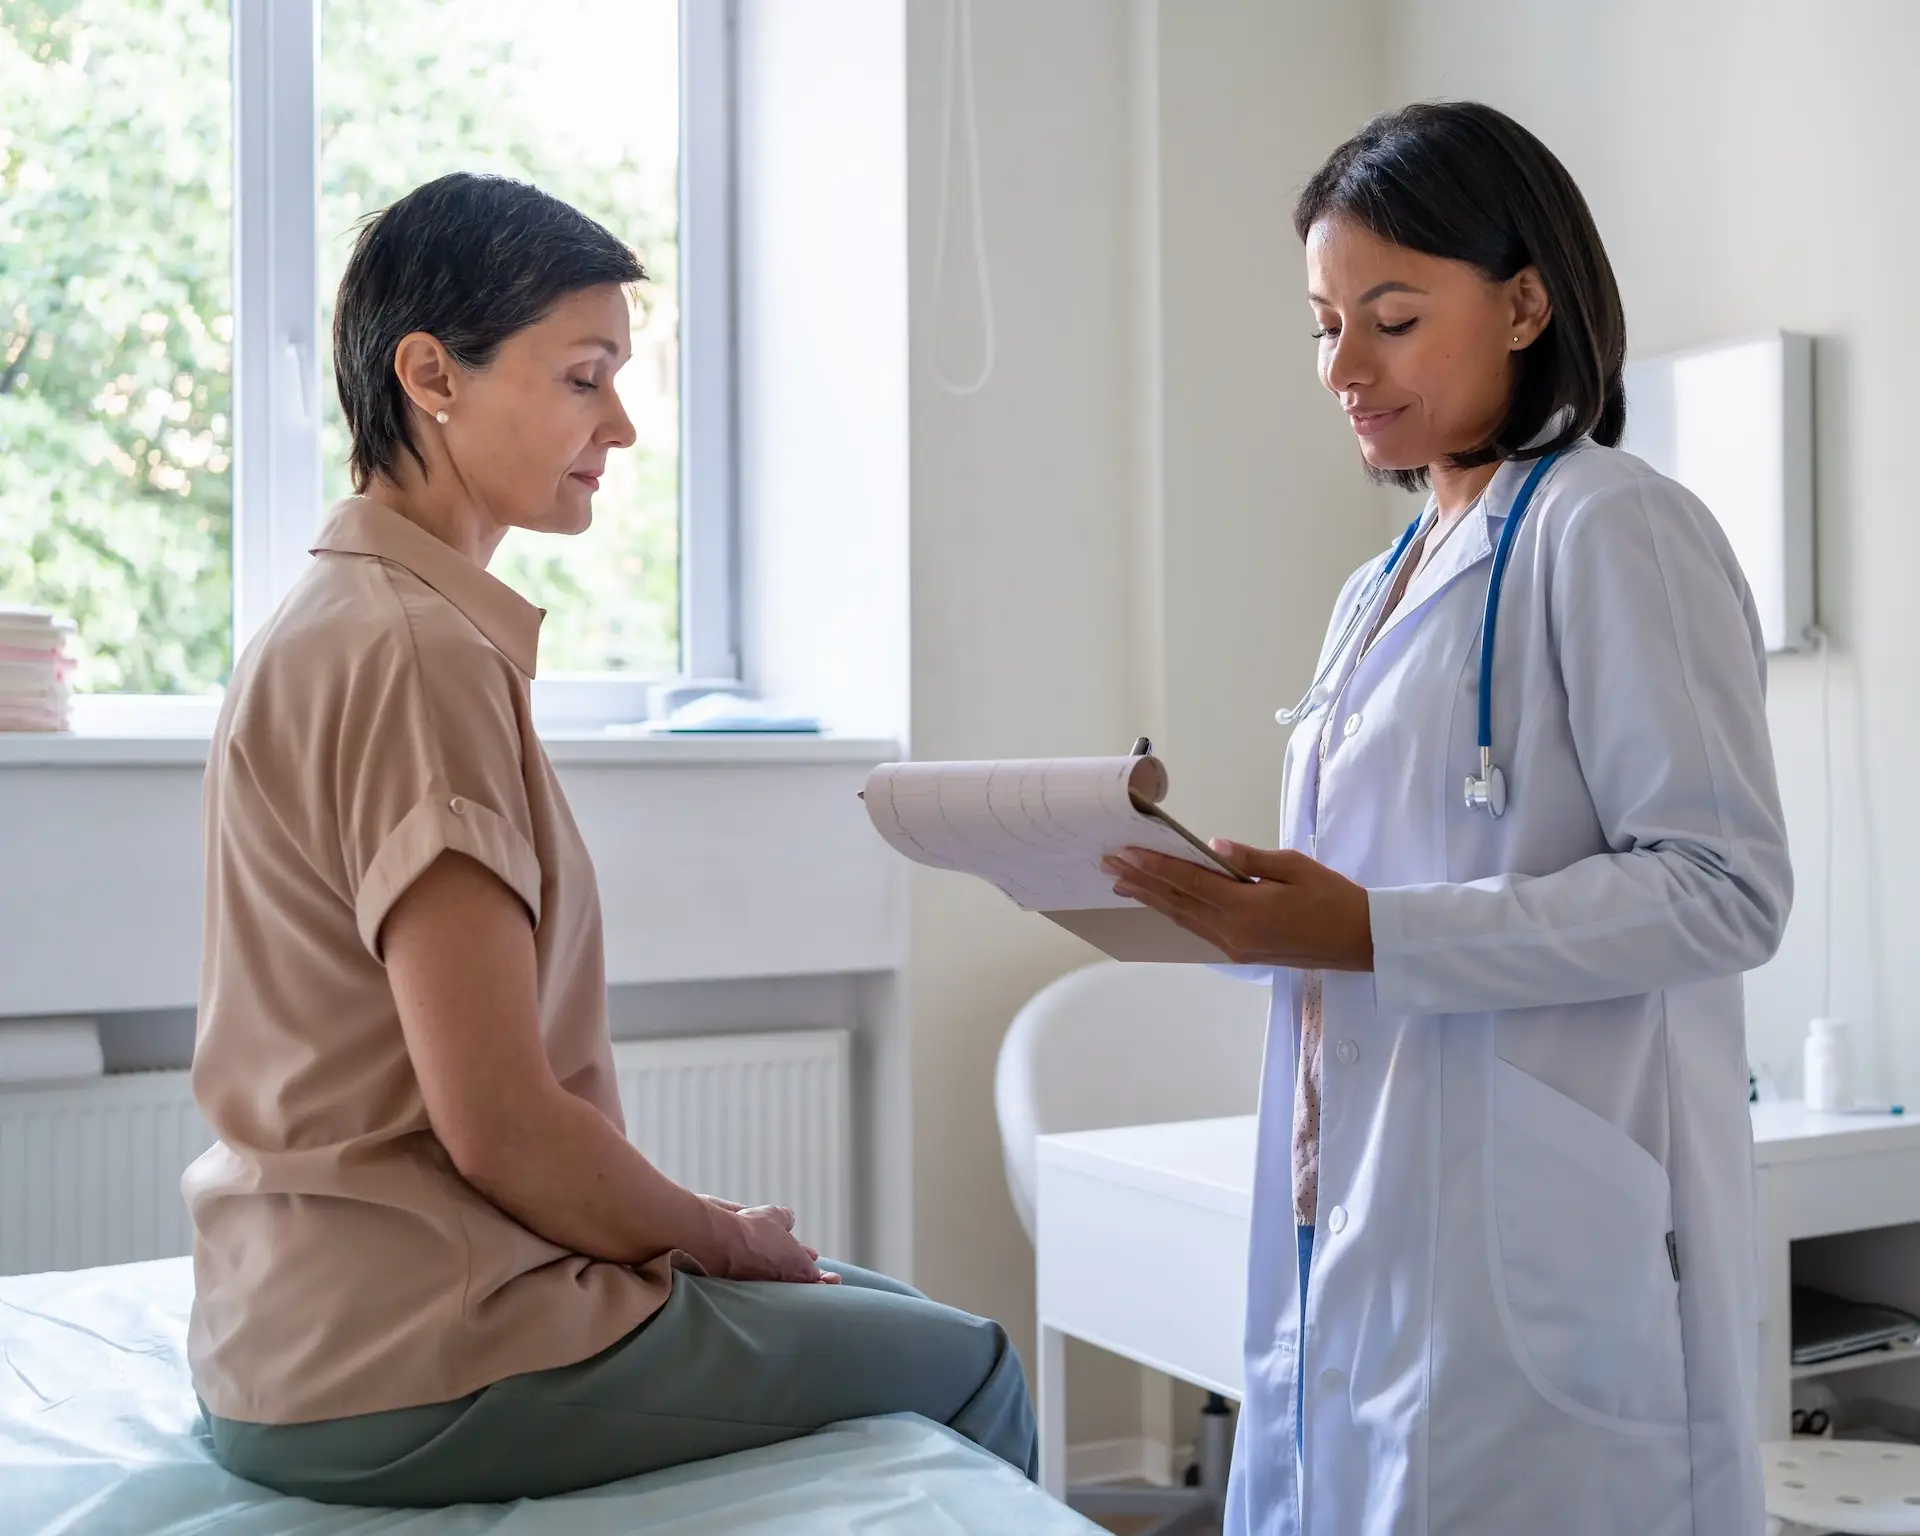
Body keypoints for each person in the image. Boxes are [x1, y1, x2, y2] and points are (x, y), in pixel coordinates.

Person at [183, 172, 1035, 1506]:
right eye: (584, 377)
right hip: (410, 1352)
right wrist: (716, 1236)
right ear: (431, 375)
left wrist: (698, 1244)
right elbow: (502, 1128)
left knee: (860, 1299)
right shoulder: (416, 658)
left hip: (293, 1331)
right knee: (972, 1365)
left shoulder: (337, 619)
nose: (623, 425)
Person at [1105, 103, 1790, 1536]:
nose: (1345, 367)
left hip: (1536, 1225)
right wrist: (1254, 911)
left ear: (1527, 300)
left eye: (1394, 317)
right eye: (1323, 324)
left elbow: (1723, 889)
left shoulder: (1614, 526)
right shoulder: (1385, 583)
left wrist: (1372, 931)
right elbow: (1386, 893)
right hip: (1364, 1182)